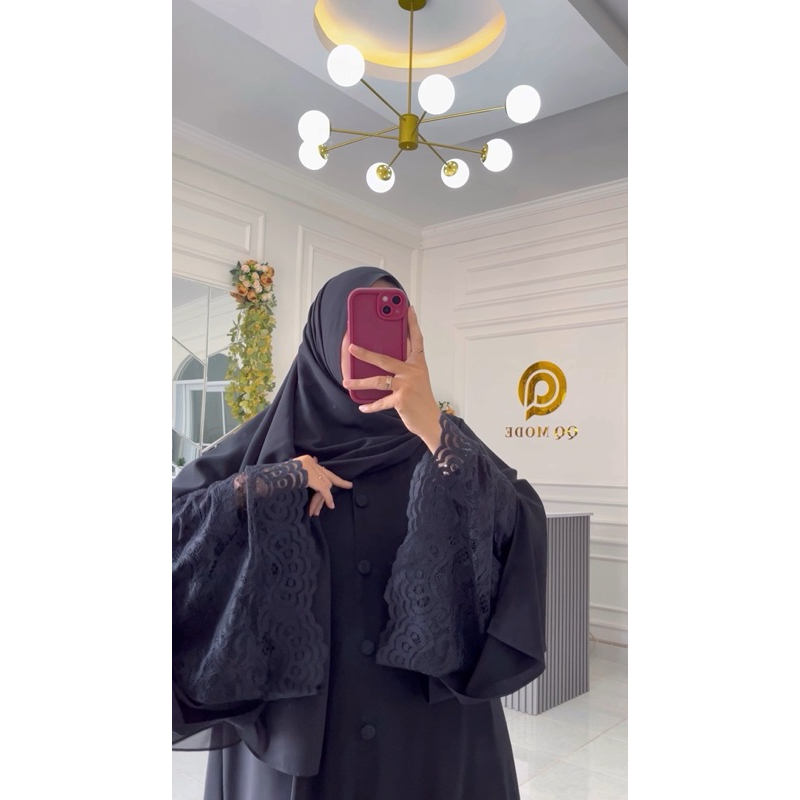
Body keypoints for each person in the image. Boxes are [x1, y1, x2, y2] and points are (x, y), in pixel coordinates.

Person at [173, 266, 548, 800]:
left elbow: (519, 530)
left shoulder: (444, 440)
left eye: (393, 327)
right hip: (299, 737)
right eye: (356, 325)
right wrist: (264, 485)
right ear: (324, 338)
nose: (372, 348)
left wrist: (433, 428)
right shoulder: (265, 446)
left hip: (429, 737)